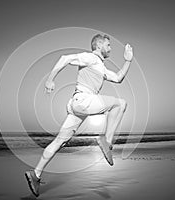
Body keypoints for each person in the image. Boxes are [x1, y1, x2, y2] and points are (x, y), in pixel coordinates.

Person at [25, 34, 133, 197]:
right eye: (108, 45)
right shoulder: (90, 58)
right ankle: (106, 141)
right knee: (121, 103)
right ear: (98, 46)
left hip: (77, 105)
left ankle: (36, 174)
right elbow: (64, 58)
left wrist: (128, 61)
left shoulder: (101, 67)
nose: (111, 48)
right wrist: (50, 79)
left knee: (60, 142)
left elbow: (118, 78)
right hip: (83, 100)